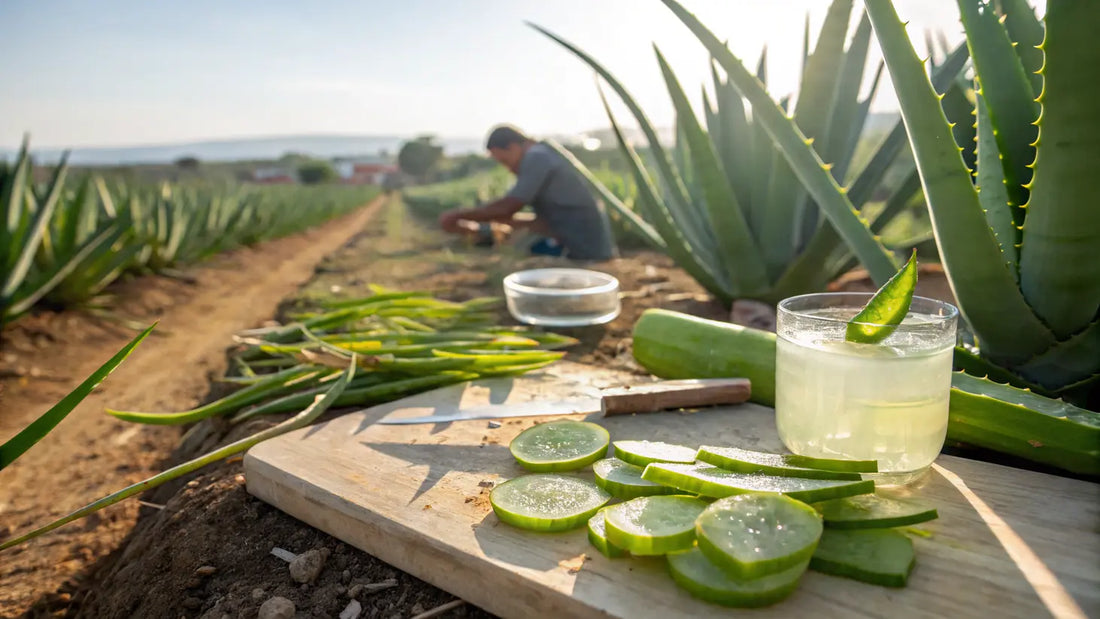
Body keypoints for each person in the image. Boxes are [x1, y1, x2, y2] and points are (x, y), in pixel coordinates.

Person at [438, 125, 616, 261]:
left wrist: (459, 216)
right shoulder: (542, 154)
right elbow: (535, 220)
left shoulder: (536, 157)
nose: (507, 168)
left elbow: (508, 207)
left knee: (513, 253)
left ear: (514, 147)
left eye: (504, 160)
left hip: (583, 248)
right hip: (578, 238)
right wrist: (482, 225)